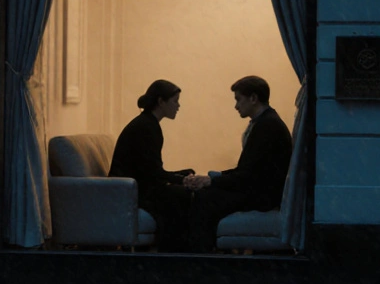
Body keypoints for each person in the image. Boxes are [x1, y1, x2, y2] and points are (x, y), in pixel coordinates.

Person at [184, 76, 292, 252]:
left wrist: (212, 181)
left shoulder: (267, 126)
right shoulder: (268, 122)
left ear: (253, 98)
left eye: (238, 99)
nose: (236, 106)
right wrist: (216, 178)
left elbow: (248, 175)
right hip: (262, 190)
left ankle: (201, 257)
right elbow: (248, 171)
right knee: (207, 193)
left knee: (204, 199)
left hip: (262, 196)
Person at [108, 80, 196, 252]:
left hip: (138, 185)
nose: (178, 106)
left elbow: (151, 169)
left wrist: (179, 177)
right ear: (161, 102)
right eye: (175, 101)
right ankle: (174, 252)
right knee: (182, 197)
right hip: (134, 191)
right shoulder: (146, 127)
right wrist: (181, 179)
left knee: (180, 194)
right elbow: (151, 172)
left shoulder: (148, 124)